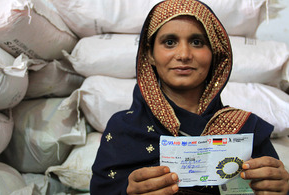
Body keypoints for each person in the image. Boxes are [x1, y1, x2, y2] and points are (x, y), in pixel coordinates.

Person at [90, 0, 289, 194]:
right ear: (149, 54)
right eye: (169, 42)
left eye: (197, 42)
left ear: (214, 54)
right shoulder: (124, 130)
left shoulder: (246, 129)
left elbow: (270, 185)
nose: (184, 54)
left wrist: (281, 188)